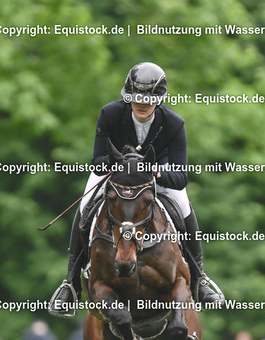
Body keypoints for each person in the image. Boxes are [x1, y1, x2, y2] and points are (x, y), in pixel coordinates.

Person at [49, 61, 224, 317]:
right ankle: (70, 284)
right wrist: (124, 164)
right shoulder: (110, 113)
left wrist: (153, 171)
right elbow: (97, 161)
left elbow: (180, 177)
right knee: (85, 206)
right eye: (136, 99)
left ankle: (200, 279)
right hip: (116, 172)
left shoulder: (174, 123)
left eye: (148, 100)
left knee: (183, 206)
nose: (141, 105)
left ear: (159, 100)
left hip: (155, 174)